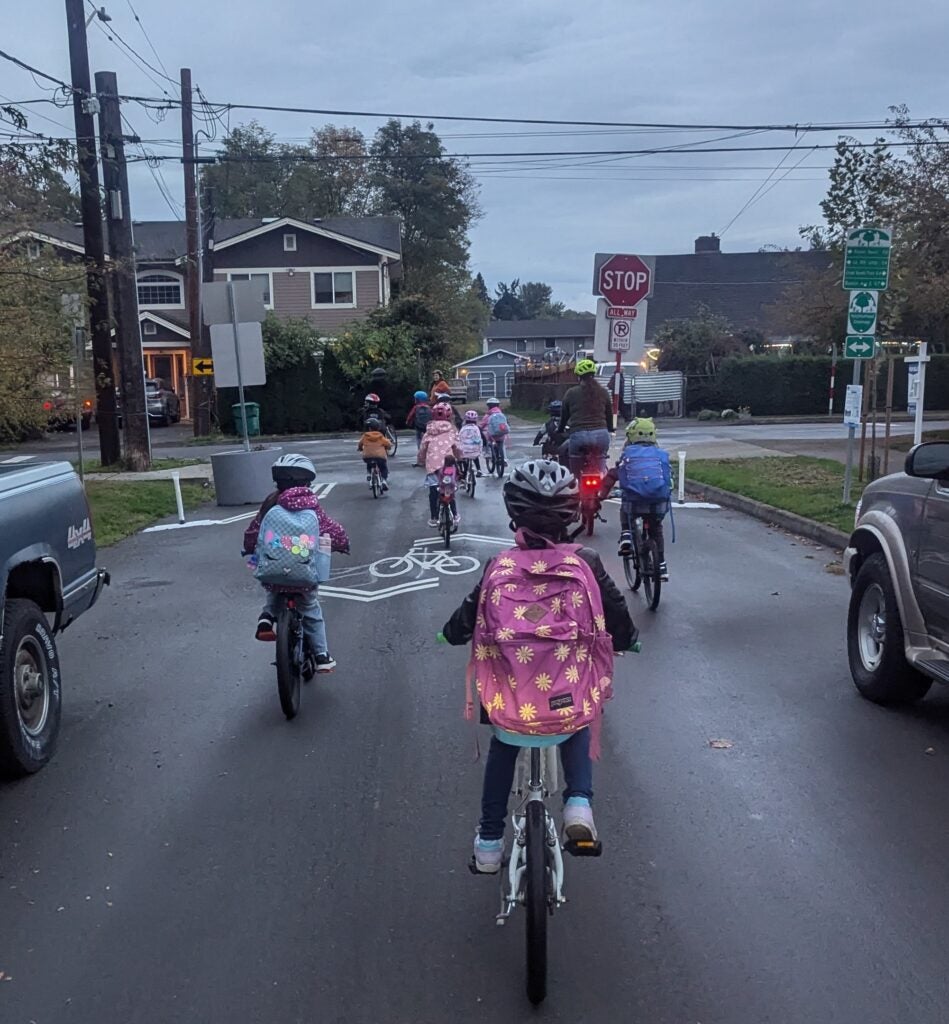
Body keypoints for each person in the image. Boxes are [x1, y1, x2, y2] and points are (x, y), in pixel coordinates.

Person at [442, 459, 637, 873]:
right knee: (578, 721)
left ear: (514, 513)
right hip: (565, 691)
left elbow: (470, 614)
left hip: (512, 699)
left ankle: (490, 845)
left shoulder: (500, 565)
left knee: (502, 744)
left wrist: (451, 632)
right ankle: (579, 807)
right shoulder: (584, 561)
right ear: (569, 516)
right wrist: (628, 639)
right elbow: (614, 610)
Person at [243, 454, 350, 673]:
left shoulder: (270, 505)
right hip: (304, 576)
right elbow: (332, 531)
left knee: (273, 590)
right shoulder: (312, 507)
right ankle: (321, 656)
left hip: (272, 571)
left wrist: (249, 548)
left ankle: (266, 618)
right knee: (311, 609)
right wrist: (342, 544)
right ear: (307, 483)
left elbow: (254, 531)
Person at [598, 417, 672, 581]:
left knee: (626, 508)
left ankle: (626, 534)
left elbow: (613, 475)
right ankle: (661, 565)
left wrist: (602, 495)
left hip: (634, 503)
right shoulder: (660, 456)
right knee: (656, 529)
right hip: (657, 504)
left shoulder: (628, 455)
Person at [557, 359, 614, 475]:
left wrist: (560, 429)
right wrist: (610, 428)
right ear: (594, 375)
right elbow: (609, 414)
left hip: (579, 436)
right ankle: (601, 477)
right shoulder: (603, 392)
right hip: (601, 436)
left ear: (579, 377)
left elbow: (564, 415)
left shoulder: (571, 393)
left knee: (573, 463)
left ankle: (576, 480)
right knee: (601, 459)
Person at [418, 403, 463, 528]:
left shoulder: (429, 431)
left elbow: (422, 449)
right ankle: (454, 515)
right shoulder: (452, 431)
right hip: (448, 465)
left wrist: (421, 461)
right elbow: (458, 448)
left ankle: (434, 517)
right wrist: (460, 457)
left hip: (433, 465)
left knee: (433, 490)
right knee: (449, 489)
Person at [357, 416, 392, 492]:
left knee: (369, 464)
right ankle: (384, 481)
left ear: (368, 428)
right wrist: (388, 447)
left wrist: (360, 448)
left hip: (367, 456)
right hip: (380, 457)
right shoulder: (380, 436)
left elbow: (360, 444)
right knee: (383, 468)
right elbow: (388, 444)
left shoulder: (365, 436)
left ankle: (369, 474)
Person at [479, 398, 510, 469]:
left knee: (487, 443)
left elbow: (482, 425)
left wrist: (480, 429)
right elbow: (506, 424)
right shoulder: (502, 414)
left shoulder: (488, 415)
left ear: (489, 406)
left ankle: (488, 454)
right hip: (501, 435)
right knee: (502, 446)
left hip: (491, 436)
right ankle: (504, 459)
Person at [457, 409, 485, 477]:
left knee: (465, 458)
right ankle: (479, 470)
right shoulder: (477, 428)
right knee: (475, 457)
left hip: (464, 449)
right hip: (475, 449)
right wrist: (485, 445)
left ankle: (465, 473)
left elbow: (459, 438)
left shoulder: (462, 428)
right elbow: (482, 438)